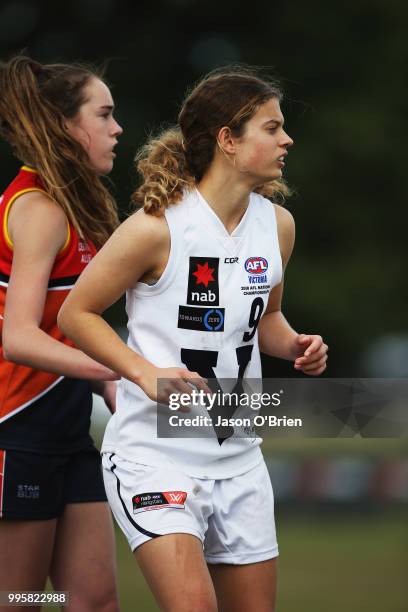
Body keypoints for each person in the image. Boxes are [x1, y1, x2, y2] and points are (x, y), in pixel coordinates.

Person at [58, 67, 328, 612]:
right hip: (155, 458)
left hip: (240, 458)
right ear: (228, 140)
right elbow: (76, 314)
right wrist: (144, 372)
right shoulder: (155, 228)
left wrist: (297, 343)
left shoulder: (278, 226)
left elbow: (265, 321)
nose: (286, 140)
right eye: (271, 128)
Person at [0, 55, 123, 612]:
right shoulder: (40, 209)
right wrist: (120, 369)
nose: (116, 128)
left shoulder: (74, 207)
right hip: (16, 435)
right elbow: (21, 337)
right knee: (19, 600)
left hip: (68, 436)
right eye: (104, 115)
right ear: (67, 127)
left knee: (92, 601)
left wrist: (108, 385)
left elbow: (66, 329)